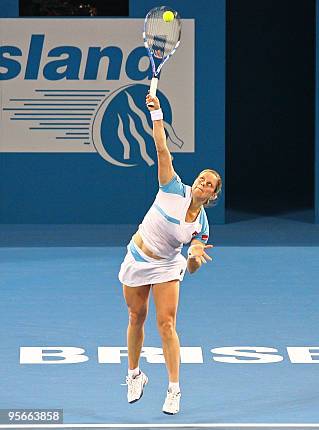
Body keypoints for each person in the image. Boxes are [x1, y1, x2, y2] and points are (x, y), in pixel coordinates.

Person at [117, 94, 221, 415]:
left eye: (210, 183)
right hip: (137, 257)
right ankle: (134, 375)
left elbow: (192, 264)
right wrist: (157, 112)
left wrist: (192, 259)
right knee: (136, 317)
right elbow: (162, 147)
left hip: (167, 267)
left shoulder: (201, 226)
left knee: (166, 324)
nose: (203, 181)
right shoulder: (172, 186)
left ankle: (174, 389)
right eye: (202, 177)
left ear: (213, 195)